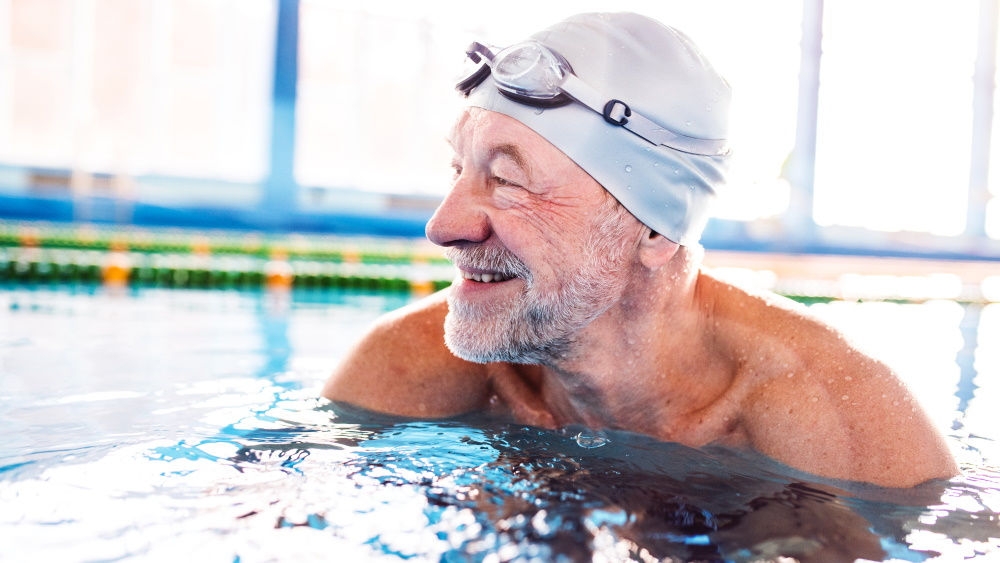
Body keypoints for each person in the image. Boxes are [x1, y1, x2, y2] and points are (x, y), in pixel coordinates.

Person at [322, 12, 957, 488]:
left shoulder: (838, 418)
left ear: (654, 229)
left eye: (507, 181)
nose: (444, 225)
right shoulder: (408, 364)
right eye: (457, 170)